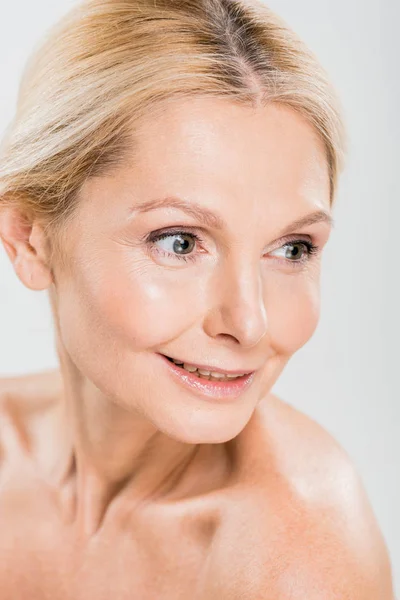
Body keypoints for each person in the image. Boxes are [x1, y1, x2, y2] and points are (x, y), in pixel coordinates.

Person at [0, 0, 394, 597]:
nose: (250, 322)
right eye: (180, 242)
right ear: (30, 239)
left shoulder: (296, 562)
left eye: (292, 248)